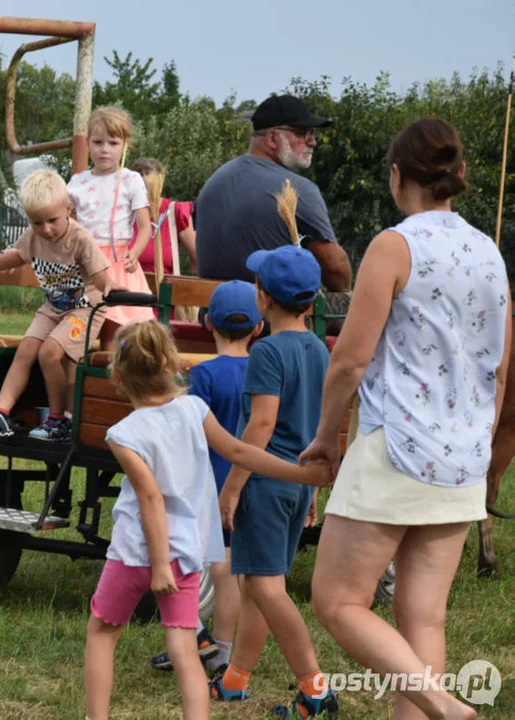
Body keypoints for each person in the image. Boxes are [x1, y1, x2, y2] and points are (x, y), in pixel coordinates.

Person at [301, 118, 510, 720]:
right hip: (464, 456)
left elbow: (350, 359)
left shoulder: (396, 245)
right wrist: (481, 444)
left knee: (338, 601)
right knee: (423, 619)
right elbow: (497, 372)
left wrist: (324, 437)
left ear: (397, 176)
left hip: (397, 447)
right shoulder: (491, 252)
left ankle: (446, 708)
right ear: (456, 175)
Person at [85, 320, 330, 720]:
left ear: (116, 374)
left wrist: (156, 563)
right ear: (175, 364)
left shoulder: (122, 434)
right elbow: (240, 452)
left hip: (134, 554)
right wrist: (303, 475)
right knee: (184, 648)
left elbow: (149, 497)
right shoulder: (196, 410)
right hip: (184, 555)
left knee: (102, 631)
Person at [211, 245, 338, 718]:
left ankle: (315, 689)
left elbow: (260, 426)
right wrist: (310, 491)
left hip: (265, 483)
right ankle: (234, 680)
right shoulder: (319, 348)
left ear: (262, 297)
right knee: (257, 587)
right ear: (311, 300)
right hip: (297, 482)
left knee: (266, 590)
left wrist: (233, 484)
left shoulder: (265, 351)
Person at [148, 280, 262, 676]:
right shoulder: (265, 371)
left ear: (207, 323)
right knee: (229, 570)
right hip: (254, 482)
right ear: (259, 327)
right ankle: (224, 650)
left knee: (184, 564)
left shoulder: (204, 375)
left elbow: (186, 433)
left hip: (208, 488)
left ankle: (191, 636)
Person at [0, 170, 121, 442]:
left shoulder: (80, 239)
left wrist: (110, 287)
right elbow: (13, 257)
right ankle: (0, 415)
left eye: (53, 220)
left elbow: (101, 275)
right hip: (54, 307)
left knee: (49, 353)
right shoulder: (34, 237)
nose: (46, 229)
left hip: (85, 310)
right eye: (37, 222)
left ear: (68, 209)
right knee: (26, 349)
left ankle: (58, 420)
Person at [194, 94, 352, 331]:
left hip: (214, 313)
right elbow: (336, 269)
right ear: (271, 138)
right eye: (302, 134)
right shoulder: (296, 189)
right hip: (270, 317)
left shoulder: (213, 182)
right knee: (364, 304)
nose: (312, 142)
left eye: (312, 135)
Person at [67, 106, 154, 344]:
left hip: (120, 262)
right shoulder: (78, 182)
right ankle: (82, 379)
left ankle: (111, 376)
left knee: (116, 332)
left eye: (113, 143)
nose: (105, 149)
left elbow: (145, 226)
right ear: (88, 143)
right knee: (82, 332)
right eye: (98, 142)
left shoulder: (131, 180)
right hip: (88, 262)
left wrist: (135, 253)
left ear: (125, 145)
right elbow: (66, 223)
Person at [130, 157, 198, 279]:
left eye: (152, 189)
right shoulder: (122, 215)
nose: (148, 195)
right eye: (143, 189)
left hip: (164, 293)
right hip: (126, 292)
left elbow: (199, 261)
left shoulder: (174, 212)